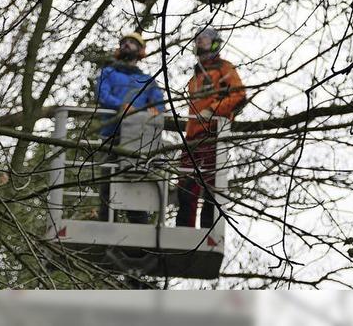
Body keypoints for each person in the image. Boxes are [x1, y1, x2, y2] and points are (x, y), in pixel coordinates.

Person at [176, 26, 246, 228]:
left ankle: (208, 230)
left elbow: (239, 96)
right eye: (197, 38)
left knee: (209, 185)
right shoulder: (195, 77)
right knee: (185, 185)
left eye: (204, 38)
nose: (199, 41)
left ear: (214, 41)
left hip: (212, 135)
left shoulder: (224, 68)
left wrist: (214, 110)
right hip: (192, 138)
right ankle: (183, 231)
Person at [95, 31, 164, 223]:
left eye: (132, 43)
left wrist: (154, 112)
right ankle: (106, 223)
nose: (127, 45)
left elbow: (158, 105)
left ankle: (139, 224)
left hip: (137, 138)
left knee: (135, 180)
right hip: (112, 135)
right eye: (124, 42)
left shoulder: (147, 80)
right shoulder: (108, 73)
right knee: (108, 182)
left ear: (140, 51)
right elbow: (102, 95)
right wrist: (121, 106)